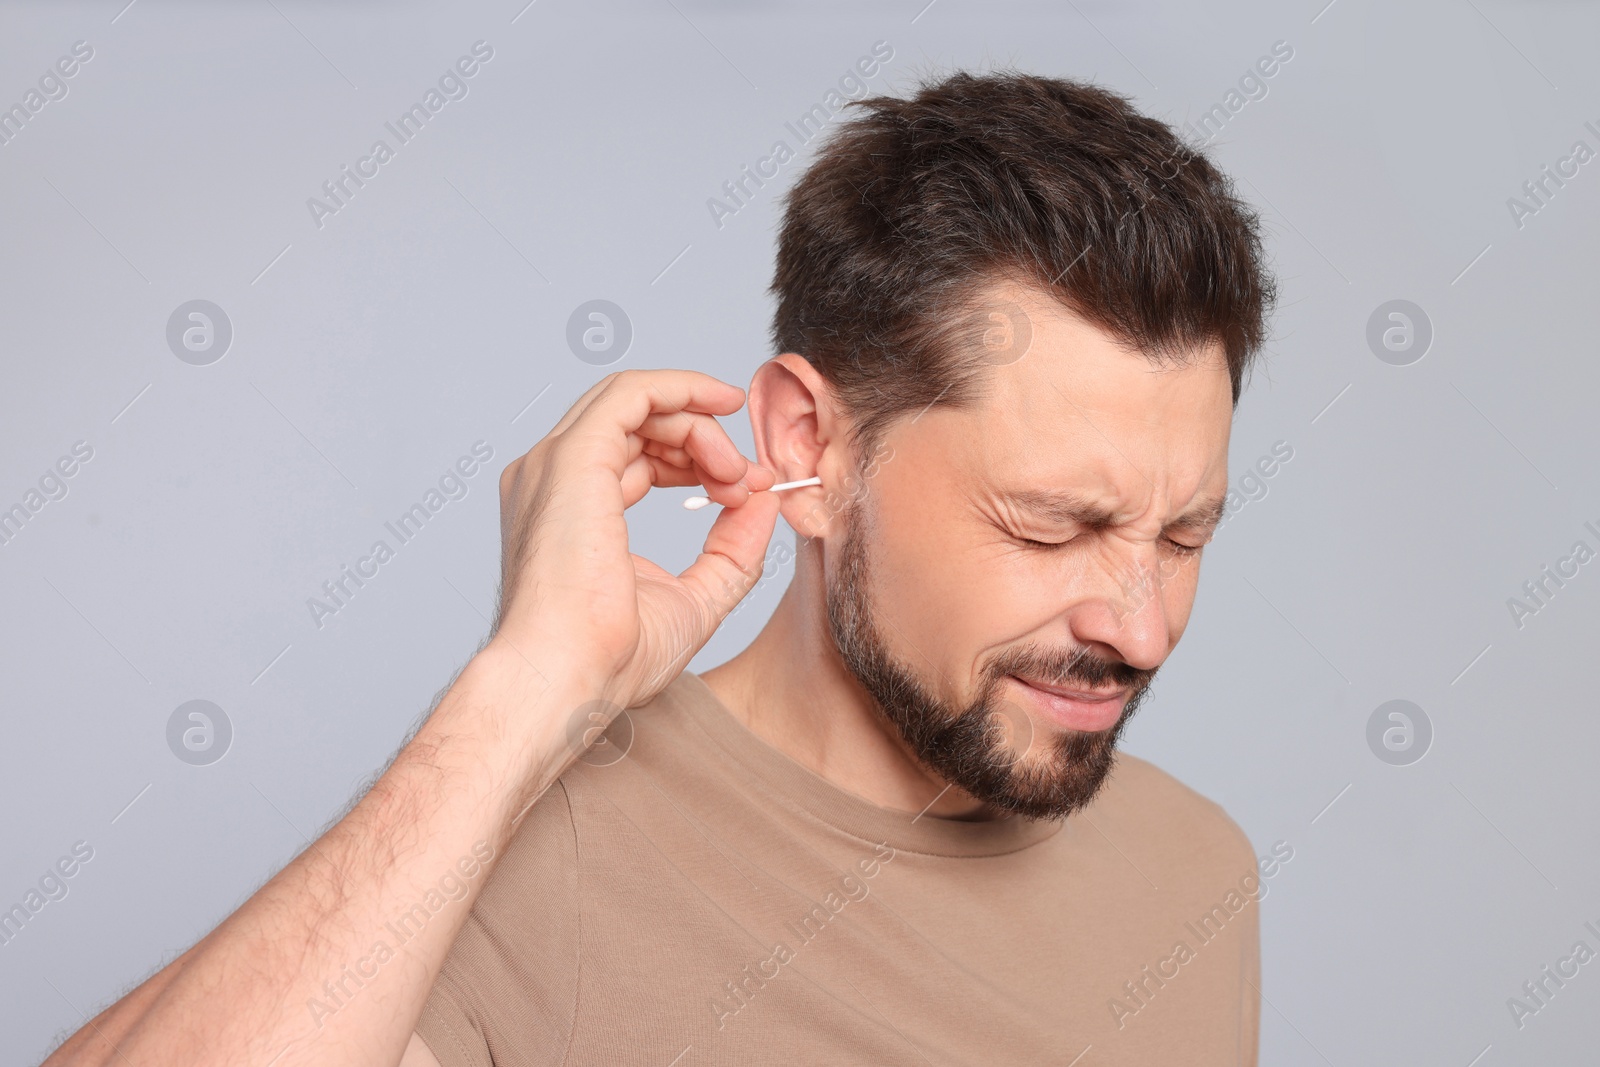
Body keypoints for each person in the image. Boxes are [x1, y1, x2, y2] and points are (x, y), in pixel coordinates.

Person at [45, 70, 1277, 1067]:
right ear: (811, 444)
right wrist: (526, 691)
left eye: (1184, 538)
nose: (1144, 629)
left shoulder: (1195, 874)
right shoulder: (550, 863)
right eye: (1052, 525)